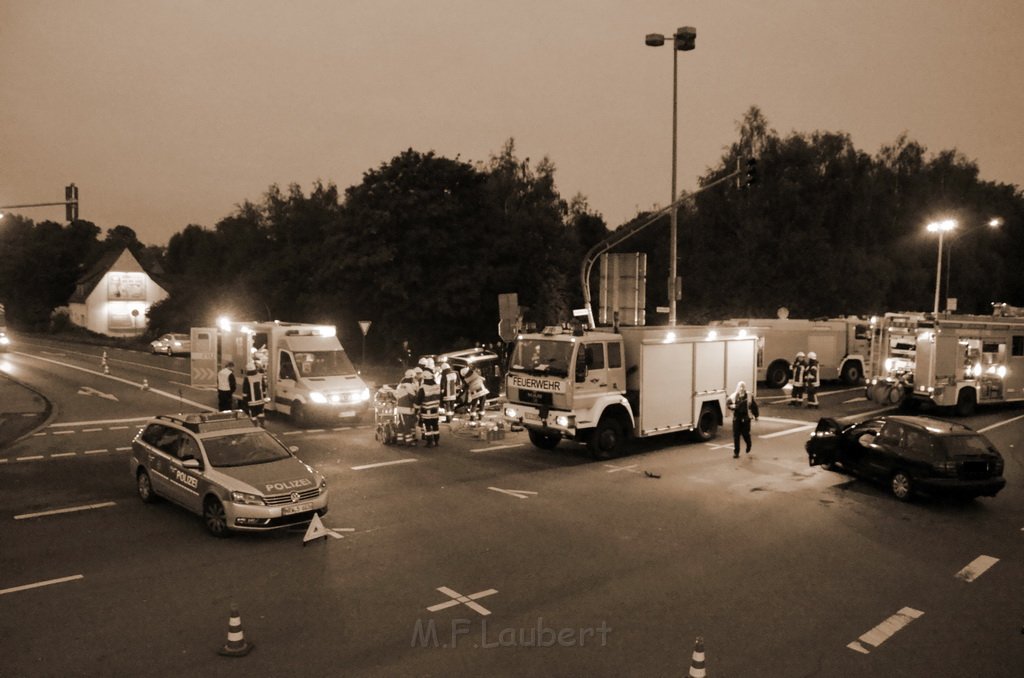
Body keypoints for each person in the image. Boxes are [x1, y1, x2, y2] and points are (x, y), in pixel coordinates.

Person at [727, 381, 760, 458]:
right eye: (740, 387)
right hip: (737, 418)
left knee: (745, 434)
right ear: (738, 388)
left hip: (746, 418)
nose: (741, 388)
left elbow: (754, 406)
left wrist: (756, 415)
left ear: (745, 388)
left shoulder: (749, 396)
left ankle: (749, 444)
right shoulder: (734, 395)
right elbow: (728, 403)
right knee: (736, 435)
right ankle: (736, 452)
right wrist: (731, 406)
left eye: (743, 387)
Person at [415, 369, 442, 447]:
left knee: (427, 426)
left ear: (424, 378)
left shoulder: (423, 388)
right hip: (435, 410)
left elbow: (418, 400)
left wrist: (416, 409)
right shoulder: (437, 386)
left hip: (426, 410)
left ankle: (429, 442)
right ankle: (436, 441)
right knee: (435, 426)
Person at [395, 370, 419, 446]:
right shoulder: (409, 386)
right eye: (414, 377)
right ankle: (409, 441)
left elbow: (396, 395)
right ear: (412, 377)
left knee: (401, 424)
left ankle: (400, 440)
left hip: (400, 408)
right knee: (407, 425)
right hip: (407, 409)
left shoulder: (400, 385)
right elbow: (413, 397)